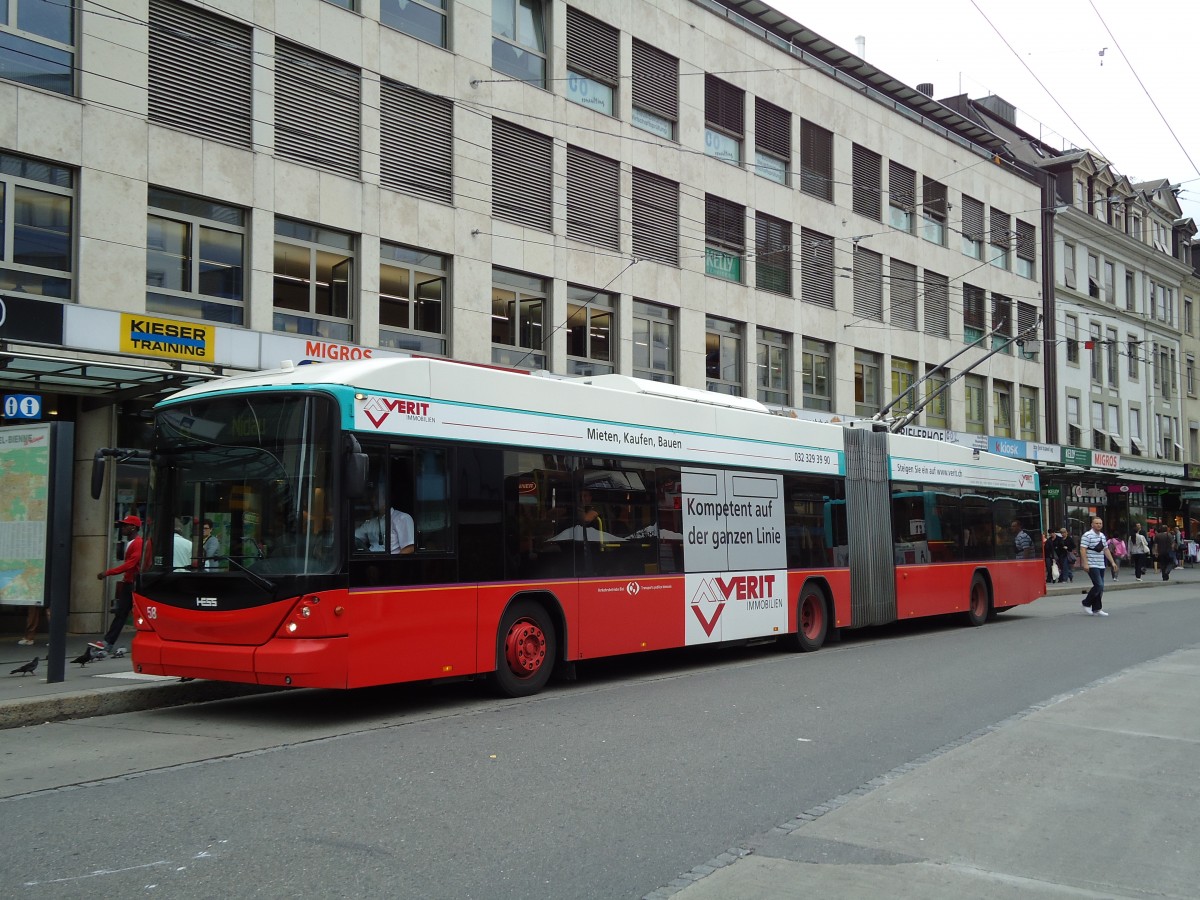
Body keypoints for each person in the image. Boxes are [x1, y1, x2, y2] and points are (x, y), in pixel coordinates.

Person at [91, 515, 144, 655]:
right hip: (130, 583)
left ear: (133, 527)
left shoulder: (138, 543)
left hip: (134, 584)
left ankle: (109, 642)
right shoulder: (132, 542)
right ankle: (108, 642)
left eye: (125, 525)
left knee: (126, 614)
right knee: (122, 613)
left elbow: (130, 564)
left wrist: (107, 573)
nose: (122, 528)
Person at [1079, 516, 1116, 616]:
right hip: (1092, 564)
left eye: (1100, 523)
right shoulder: (1087, 535)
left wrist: (1112, 562)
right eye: (1096, 523)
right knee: (1099, 585)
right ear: (1092, 524)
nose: (1098, 525)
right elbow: (1082, 549)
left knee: (1101, 587)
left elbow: (1106, 549)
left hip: (1101, 564)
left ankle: (1097, 608)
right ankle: (1086, 603)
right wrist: (1085, 563)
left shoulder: (1102, 536)